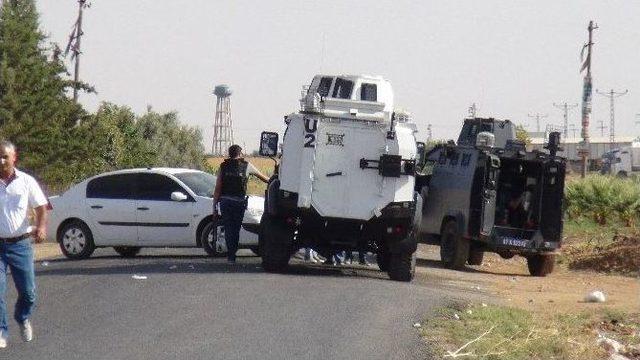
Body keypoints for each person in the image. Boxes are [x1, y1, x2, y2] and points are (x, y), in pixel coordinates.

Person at [0, 140, 48, 348]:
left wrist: (41, 227)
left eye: (4, 156)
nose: (1, 160)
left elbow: (41, 206)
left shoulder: (26, 181)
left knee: (28, 293)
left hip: (20, 244)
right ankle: (1, 331)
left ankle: (22, 317)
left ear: (14, 158)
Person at [213, 145, 269, 264]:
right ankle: (233, 253)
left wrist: (214, 205)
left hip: (225, 202)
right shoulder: (247, 165)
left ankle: (231, 256)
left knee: (228, 228)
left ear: (229, 153)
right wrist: (276, 180)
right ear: (240, 154)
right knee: (236, 228)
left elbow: (218, 187)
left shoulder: (223, 166)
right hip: (239, 202)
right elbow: (264, 178)